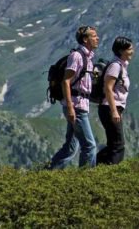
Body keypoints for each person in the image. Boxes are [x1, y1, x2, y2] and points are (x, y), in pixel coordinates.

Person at [47, 26, 99, 169]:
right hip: (76, 107)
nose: (97, 38)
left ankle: (48, 172)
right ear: (85, 39)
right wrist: (70, 107)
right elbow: (66, 81)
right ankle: (86, 179)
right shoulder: (77, 56)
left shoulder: (88, 58)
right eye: (94, 36)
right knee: (90, 146)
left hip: (80, 105)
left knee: (70, 147)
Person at [96, 36, 134, 165]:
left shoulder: (121, 66)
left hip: (112, 108)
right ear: (121, 51)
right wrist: (114, 111)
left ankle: (96, 165)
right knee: (118, 144)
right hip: (109, 108)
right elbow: (108, 88)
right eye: (130, 49)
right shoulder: (115, 66)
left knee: (114, 143)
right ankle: (112, 171)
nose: (132, 51)